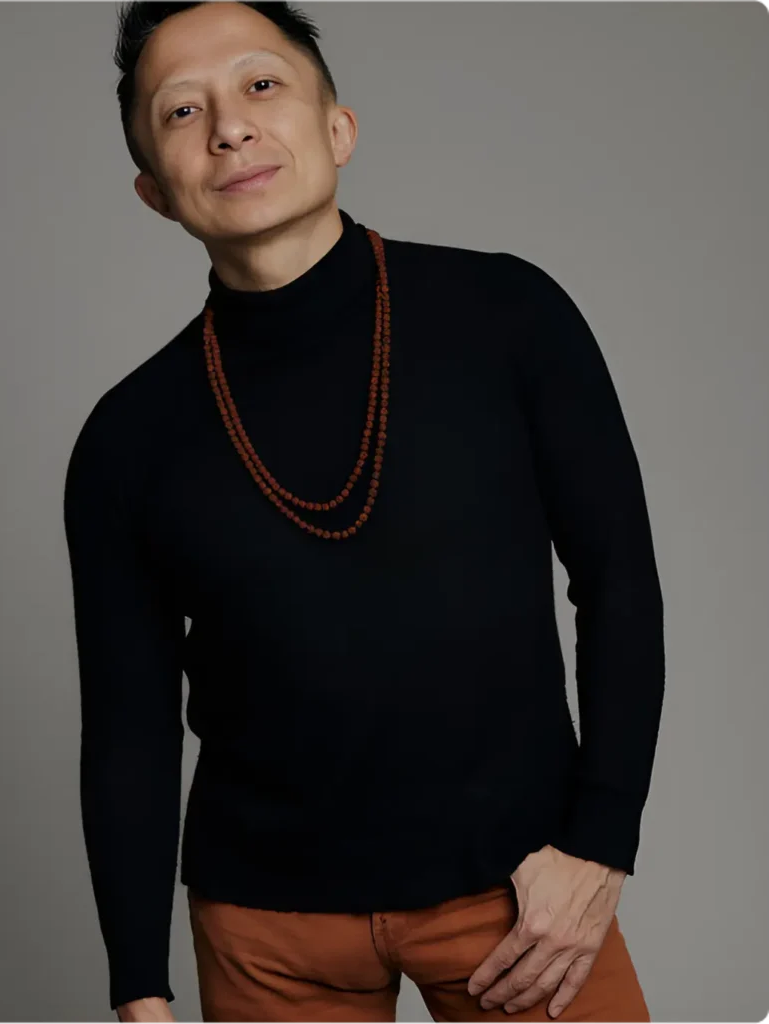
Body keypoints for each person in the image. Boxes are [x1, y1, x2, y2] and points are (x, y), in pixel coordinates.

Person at [62, 1, 666, 1021]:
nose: (230, 127)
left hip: (517, 898)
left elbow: (619, 583)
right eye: (182, 111)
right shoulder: (126, 438)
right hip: (266, 933)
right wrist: (139, 986)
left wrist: (601, 840)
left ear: (338, 128)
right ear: (154, 191)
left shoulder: (509, 316)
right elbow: (129, 726)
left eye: (261, 85)